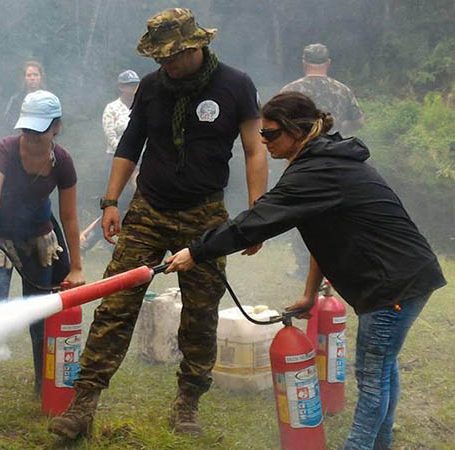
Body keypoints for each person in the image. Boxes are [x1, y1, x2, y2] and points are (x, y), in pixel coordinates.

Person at [164, 91, 446, 450]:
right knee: (384, 369)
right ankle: (381, 444)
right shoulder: (322, 161)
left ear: (296, 131)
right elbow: (322, 235)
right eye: (261, 134)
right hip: (407, 274)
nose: (263, 142)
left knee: (373, 377)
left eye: (270, 134)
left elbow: (258, 219)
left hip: (394, 282)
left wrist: (197, 250)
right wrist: (310, 293)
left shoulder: (317, 170)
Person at [49, 8, 268, 439]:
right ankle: (83, 404)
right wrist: (112, 200)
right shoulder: (152, 87)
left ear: (195, 46)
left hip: (206, 217)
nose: (165, 65)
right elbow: (132, 144)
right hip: (149, 210)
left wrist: (258, 213)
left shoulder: (236, 85)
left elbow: (255, 149)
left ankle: (187, 403)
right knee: (114, 305)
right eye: (159, 58)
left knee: (201, 315)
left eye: (171, 56)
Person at [0, 90, 85, 420]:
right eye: (28, 131)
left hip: (39, 241)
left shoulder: (62, 162)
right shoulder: (4, 150)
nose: (32, 138)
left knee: (41, 318)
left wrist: (76, 266)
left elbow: (70, 217)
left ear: (56, 127)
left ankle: (43, 386)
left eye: (40, 131)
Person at [280, 43, 365, 278]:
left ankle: (302, 267)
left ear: (305, 63)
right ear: (328, 63)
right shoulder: (342, 90)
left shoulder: (291, 90)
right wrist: (341, 126)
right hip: (337, 159)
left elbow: (277, 124)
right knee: (338, 212)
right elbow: (359, 122)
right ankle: (337, 266)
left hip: (302, 161)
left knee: (302, 211)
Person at [80, 69, 140, 253]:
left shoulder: (141, 106)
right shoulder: (112, 108)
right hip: (116, 161)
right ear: (121, 87)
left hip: (142, 161)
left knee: (137, 201)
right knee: (117, 202)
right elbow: (111, 136)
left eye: (135, 84)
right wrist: (129, 157)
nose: (133, 88)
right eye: (129, 85)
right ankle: (87, 239)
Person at [2, 60, 45, 134]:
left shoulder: (48, 99)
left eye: (35, 75)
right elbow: (9, 122)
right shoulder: (16, 100)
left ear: (41, 77)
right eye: (29, 75)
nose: (32, 78)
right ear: (24, 78)